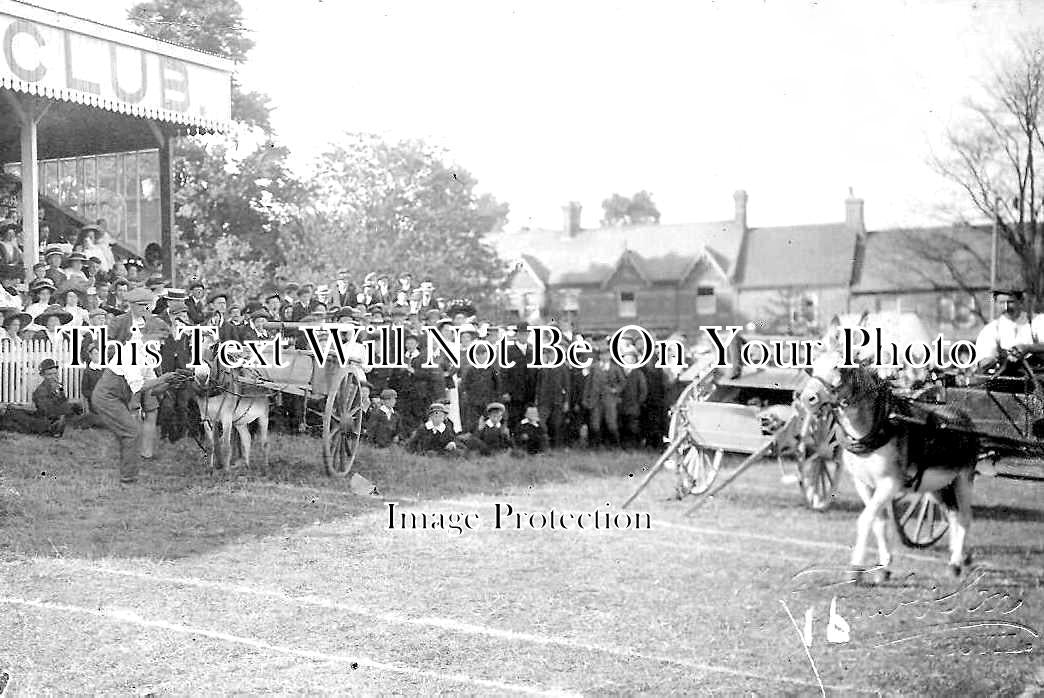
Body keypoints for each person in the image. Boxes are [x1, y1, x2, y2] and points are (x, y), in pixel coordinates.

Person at [92, 295, 180, 484]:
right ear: (149, 335)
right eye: (161, 339)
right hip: (107, 397)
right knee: (131, 432)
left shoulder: (146, 354)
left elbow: (154, 388)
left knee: (129, 433)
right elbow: (139, 387)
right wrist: (164, 378)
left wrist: (173, 381)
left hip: (118, 397)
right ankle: (128, 478)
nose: (162, 344)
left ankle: (129, 474)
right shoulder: (131, 352)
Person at [0, 359, 83, 436]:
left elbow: (63, 399)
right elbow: (47, 411)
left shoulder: (59, 386)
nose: (53, 377)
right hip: (45, 417)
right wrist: (65, 408)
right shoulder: (41, 391)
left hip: (54, 415)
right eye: (49, 374)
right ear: (43, 376)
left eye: (55, 373)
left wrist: (67, 404)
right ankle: (52, 428)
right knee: (26, 421)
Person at [974, 288, 1044, 372]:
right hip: (1007, 377)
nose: (1006, 307)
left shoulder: (1038, 321)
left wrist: (1028, 348)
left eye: (1010, 302)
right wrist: (994, 360)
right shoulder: (990, 330)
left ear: (1021, 301)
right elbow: (982, 363)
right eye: (1001, 303)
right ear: (995, 303)